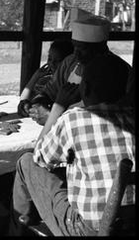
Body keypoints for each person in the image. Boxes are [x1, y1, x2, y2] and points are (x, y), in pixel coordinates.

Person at [9, 54, 135, 236]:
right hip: (130, 225)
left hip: (87, 229)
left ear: (86, 87)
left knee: (26, 162)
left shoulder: (74, 119)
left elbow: (40, 158)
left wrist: (59, 106)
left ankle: (19, 230)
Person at [27, 15, 132, 126]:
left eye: (82, 48)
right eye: (75, 47)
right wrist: (37, 104)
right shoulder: (70, 62)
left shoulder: (118, 70)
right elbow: (48, 92)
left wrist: (54, 117)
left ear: (101, 48)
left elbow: (113, 117)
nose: (76, 53)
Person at [18, 39, 74, 117]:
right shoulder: (46, 81)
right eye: (50, 59)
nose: (52, 63)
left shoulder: (71, 83)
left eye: (58, 60)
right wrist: (35, 76)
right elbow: (25, 100)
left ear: (68, 62)